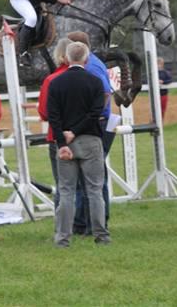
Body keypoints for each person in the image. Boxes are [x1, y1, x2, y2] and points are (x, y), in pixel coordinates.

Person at [47, 41, 110, 247]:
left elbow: (53, 116)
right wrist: (76, 131)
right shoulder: (94, 82)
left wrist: (62, 139)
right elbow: (95, 114)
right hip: (90, 140)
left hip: (65, 142)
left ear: (66, 57)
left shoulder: (56, 83)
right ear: (86, 58)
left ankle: (62, 238)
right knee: (94, 190)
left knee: (66, 191)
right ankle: (101, 235)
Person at [67, 31, 114, 235]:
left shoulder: (92, 67)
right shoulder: (93, 62)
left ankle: (96, 221)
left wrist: (90, 117)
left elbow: (104, 93)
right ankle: (89, 221)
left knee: (94, 178)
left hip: (100, 123)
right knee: (93, 176)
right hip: (103, 121)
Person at [37, 38, 73, 208]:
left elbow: (44, 113)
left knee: (62, 185)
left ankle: (63, 226)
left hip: (58, 137)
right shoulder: (90, 76)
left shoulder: (51, 80)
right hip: (85, 135)